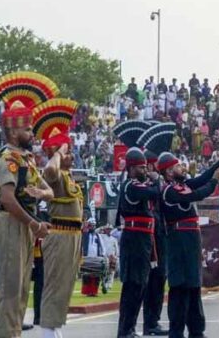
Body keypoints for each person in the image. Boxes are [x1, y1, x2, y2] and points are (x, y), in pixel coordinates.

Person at [0, 72, 56, 338]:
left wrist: (40, 193)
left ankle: (13, 333)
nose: (32, 133)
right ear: (14, 132)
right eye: (27, 129)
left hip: (26, 226)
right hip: (11, 223)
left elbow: (50, 191)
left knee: (21, 291)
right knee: (10, 290)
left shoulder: (27, 160)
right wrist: (34, 224)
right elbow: (7, 198)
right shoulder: (9, 159)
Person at [158, 149, 219, 338]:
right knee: (180, 285)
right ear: (168, 172)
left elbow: (201, 179)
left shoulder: (183, 185)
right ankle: (176, 331)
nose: (183, 168)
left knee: (194, 284)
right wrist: (215, 181)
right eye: (178, 166)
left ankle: (196, 330)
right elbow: (197, 194)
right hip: (178, 239)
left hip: (191, 238)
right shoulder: (168, 191)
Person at [33, 97, 84, 337]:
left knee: (65, 286)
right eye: (67, 151)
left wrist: (61, 151)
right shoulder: (54, 174)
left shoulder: (69, 176)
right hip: (60, 235)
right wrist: (58, 152)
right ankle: (47, 331)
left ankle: (54, 329)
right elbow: (50, 169)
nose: (71, 155)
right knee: (54, 285)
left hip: (73, 236)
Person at [116, 147, 161, 338]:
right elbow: (154, 192)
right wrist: (156, 180)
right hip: (135, 238)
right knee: (134, 285)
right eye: (141, 167)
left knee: (140, 284)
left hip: (143, 238)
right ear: (132, 168)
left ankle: (129, 329)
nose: (145, 170)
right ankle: (125, 330)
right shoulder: (131, 185)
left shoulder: (137, 184)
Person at [138, 123, 177, 337]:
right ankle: (150, 322)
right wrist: (157, 181)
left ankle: (153, 321)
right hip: (153, 237)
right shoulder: (148, 185)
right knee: (154, 279)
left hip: (161, 235)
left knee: (160, 279)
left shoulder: (160, 184)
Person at [81, 219, 107, 297]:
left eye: (93, 225)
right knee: (87, 276)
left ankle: (94, 292)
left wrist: (103, 255)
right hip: (87, 257)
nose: (92, 227)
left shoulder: (98, 236)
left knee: (96, 277)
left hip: (96, 258)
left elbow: (102, 246)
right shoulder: (84, 235)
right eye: (91, 225)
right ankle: (88, 292)